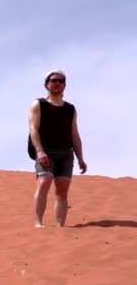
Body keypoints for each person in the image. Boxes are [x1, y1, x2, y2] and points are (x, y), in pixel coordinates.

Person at [28, 69, 87, 228]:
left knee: (62, 190)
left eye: (61, 81)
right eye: (54, 80)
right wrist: (39, 151)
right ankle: (38, 223)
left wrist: (80, 158)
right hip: (46, 151)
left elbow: (74, 134)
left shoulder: (70, 109)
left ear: (64, 85)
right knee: (44, 181)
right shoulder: (38, 104)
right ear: (47, 84)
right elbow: (33, 129)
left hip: (66, 153)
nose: (57, 83)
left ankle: (60, 227)